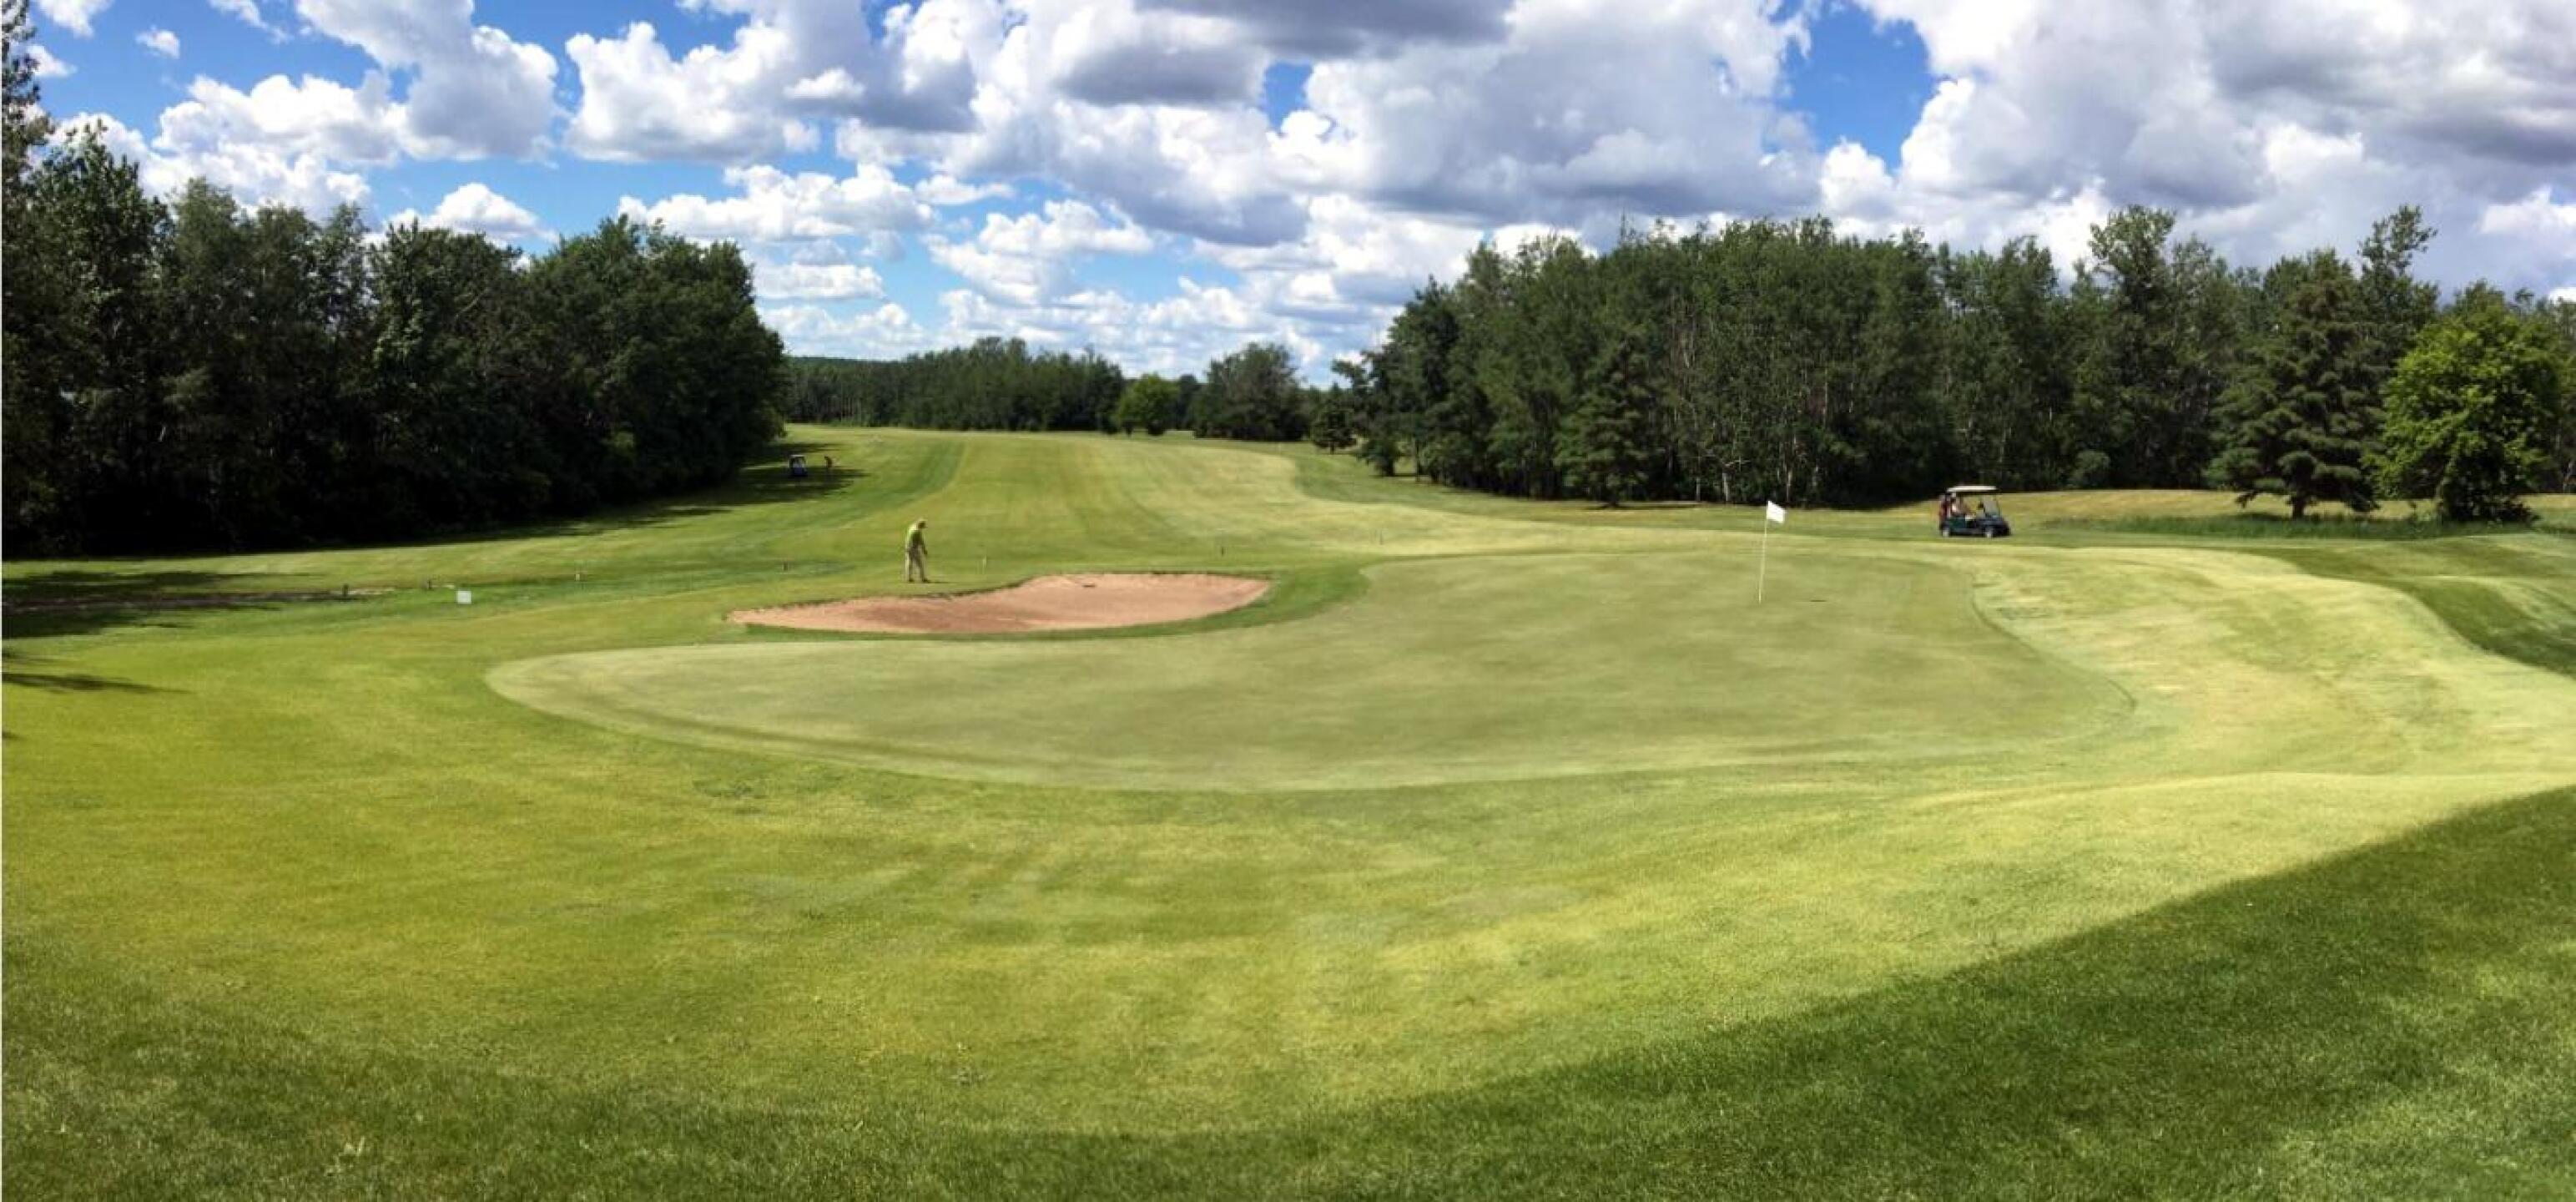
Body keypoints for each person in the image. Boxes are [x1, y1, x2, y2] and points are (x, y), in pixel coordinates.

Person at [904, 518, 930, 583]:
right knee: (919, 563)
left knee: (909, 562)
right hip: (913, 548)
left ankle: (909, 578)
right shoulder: (917, 531)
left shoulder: (912, 527)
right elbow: (921, 542)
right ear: (921, 526)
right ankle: (922, 578)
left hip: (907, 547)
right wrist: (924, 550)